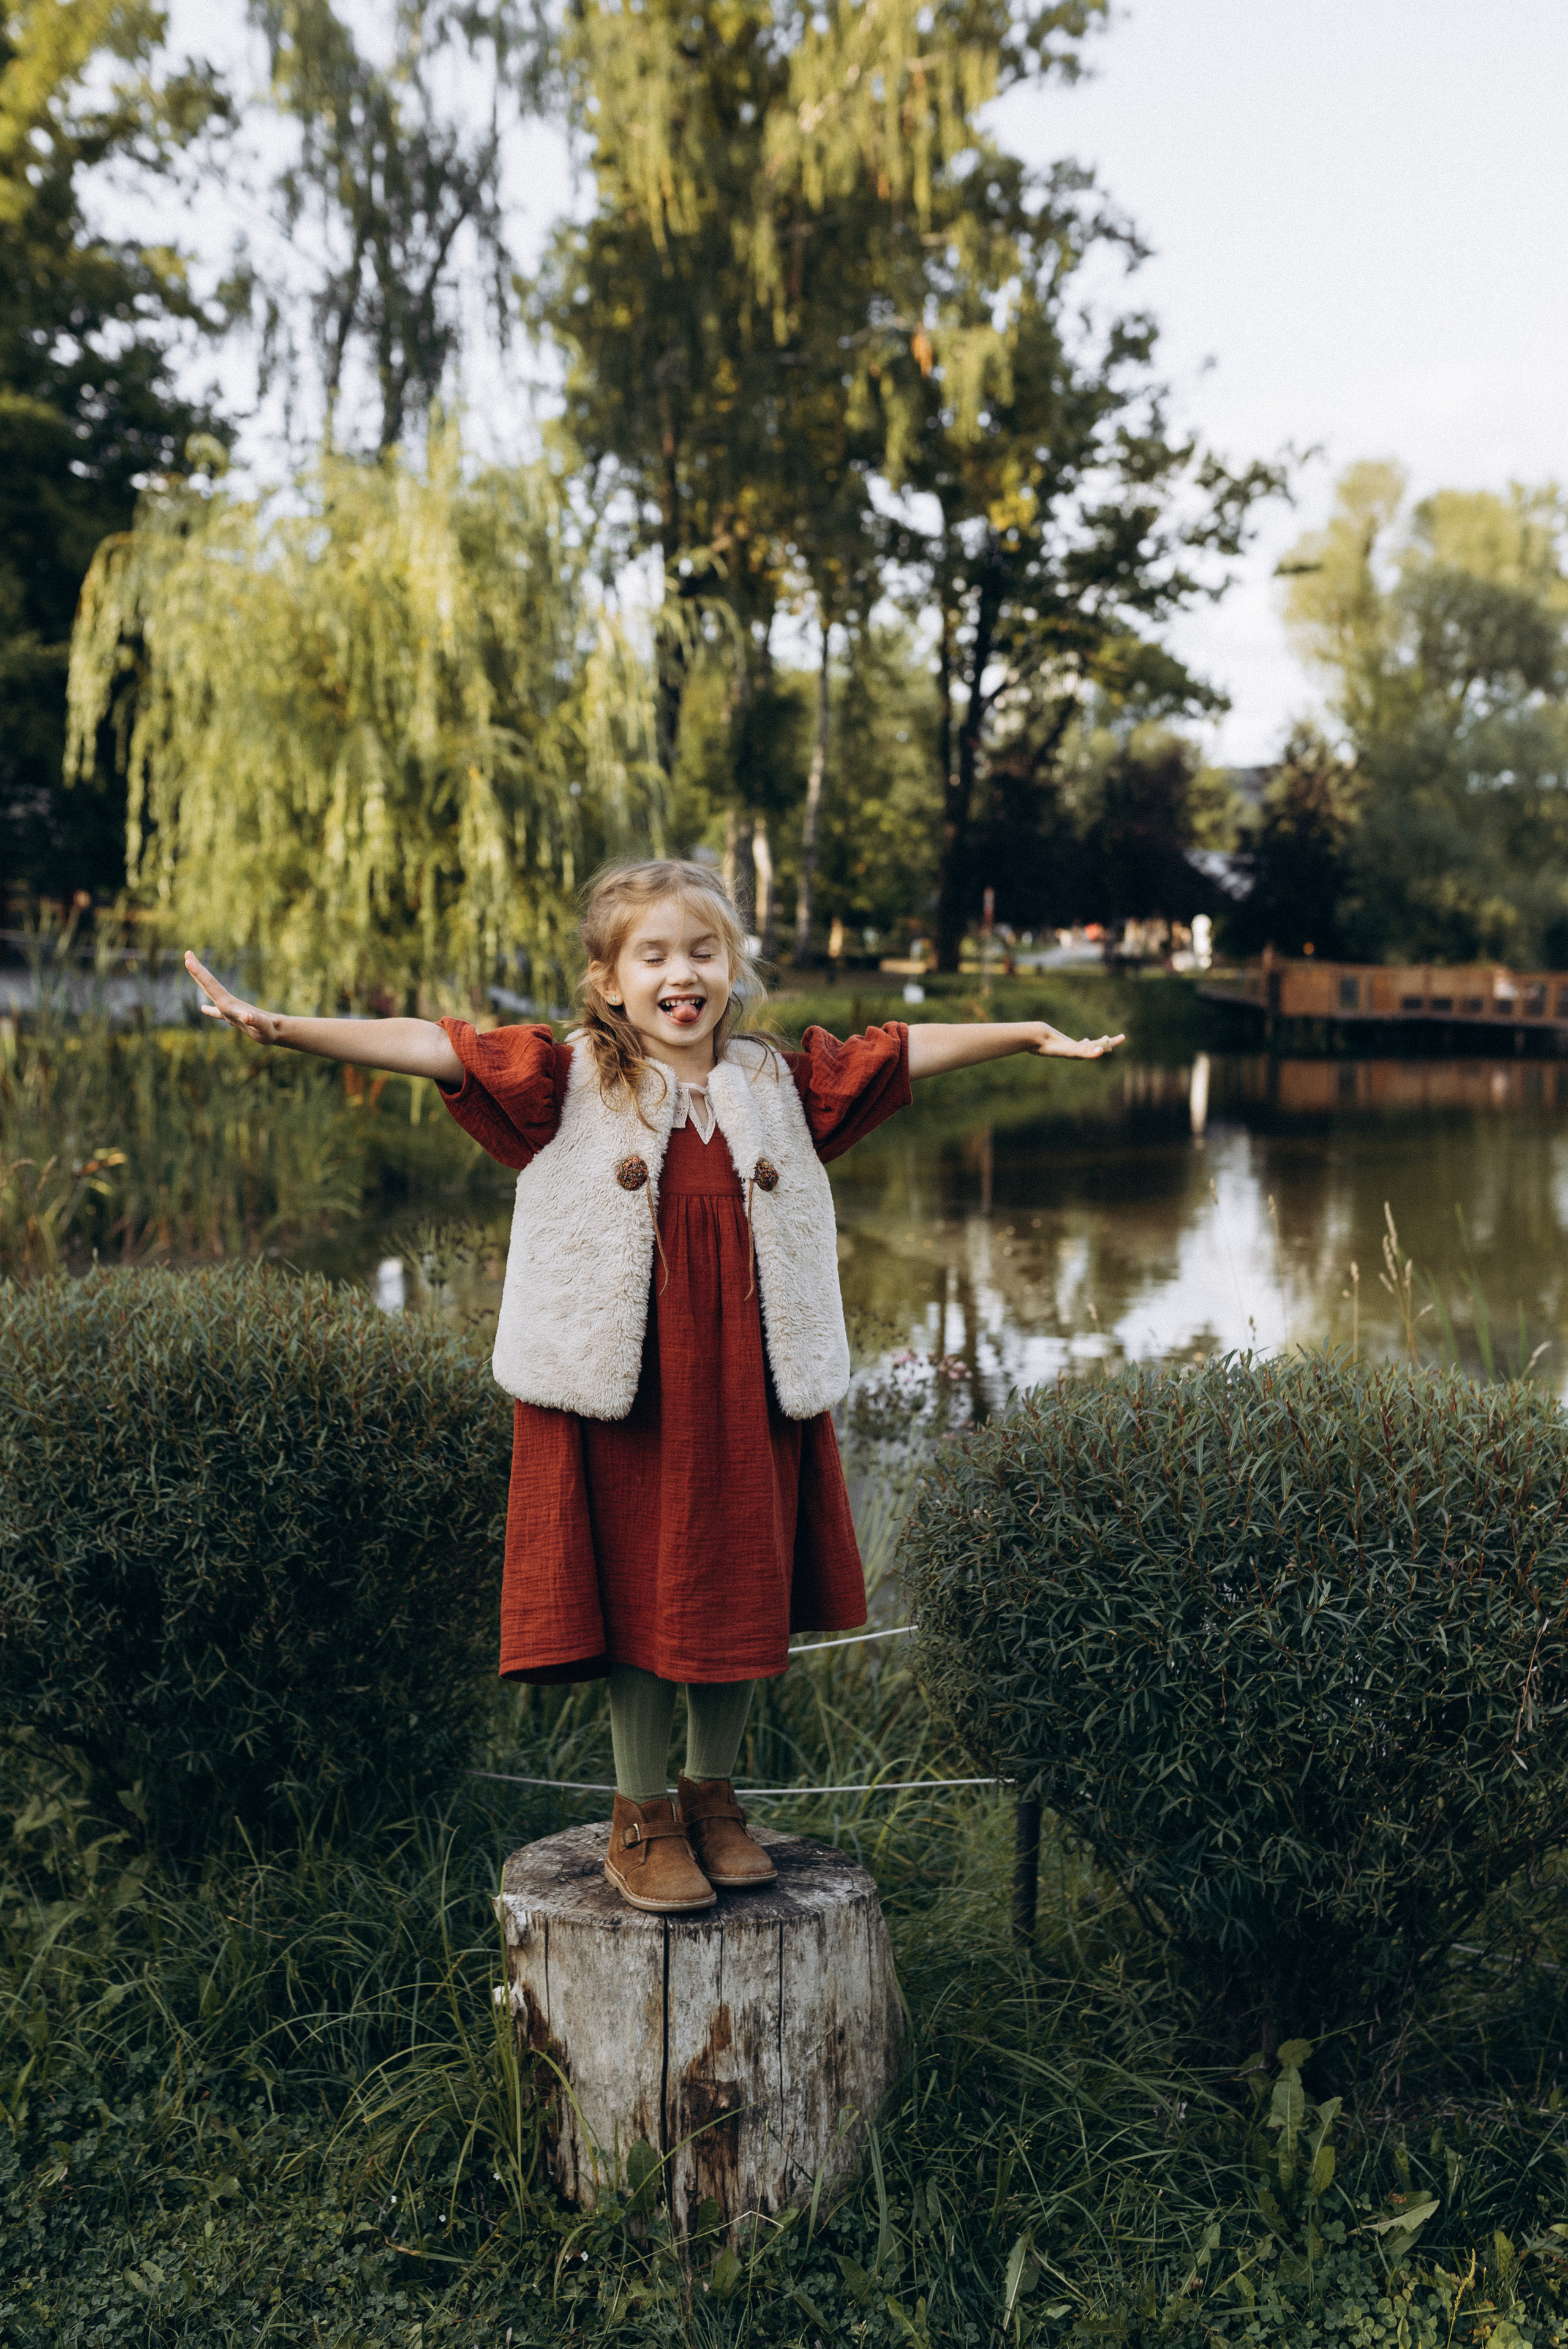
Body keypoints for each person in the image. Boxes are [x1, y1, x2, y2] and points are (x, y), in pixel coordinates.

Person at [185, 860, 1123, 1915]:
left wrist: (1028, 1033)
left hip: (743, 1381)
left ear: (734, 967)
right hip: (627, 1384)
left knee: (733, 1585)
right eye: (656, 955)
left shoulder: (777, 1082)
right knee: (642, 1595)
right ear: (610, 978)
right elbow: (433, 1045)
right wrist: (286, 1025)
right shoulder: (569, 1077)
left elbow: (898, 1054)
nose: (684, 975)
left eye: (705, 951)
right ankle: (639, 1815)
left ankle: (711, 1796)